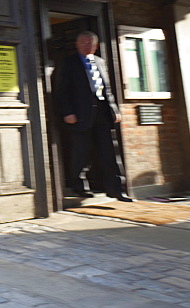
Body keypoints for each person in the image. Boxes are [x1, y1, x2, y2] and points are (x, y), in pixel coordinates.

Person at [54, 30, 133, 202]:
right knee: (81, 153)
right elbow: (61, 91)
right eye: (83, 42)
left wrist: (114, 109)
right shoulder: (69, 63)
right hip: (80, 115)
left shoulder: (100, 62)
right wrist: (67, 112)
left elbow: (107, 89)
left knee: (109, 153)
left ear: (96, 46)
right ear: (77, 44)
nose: (86, 45)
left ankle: (116, 190)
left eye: (90, 43)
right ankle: (79, 186)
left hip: (102, 114)